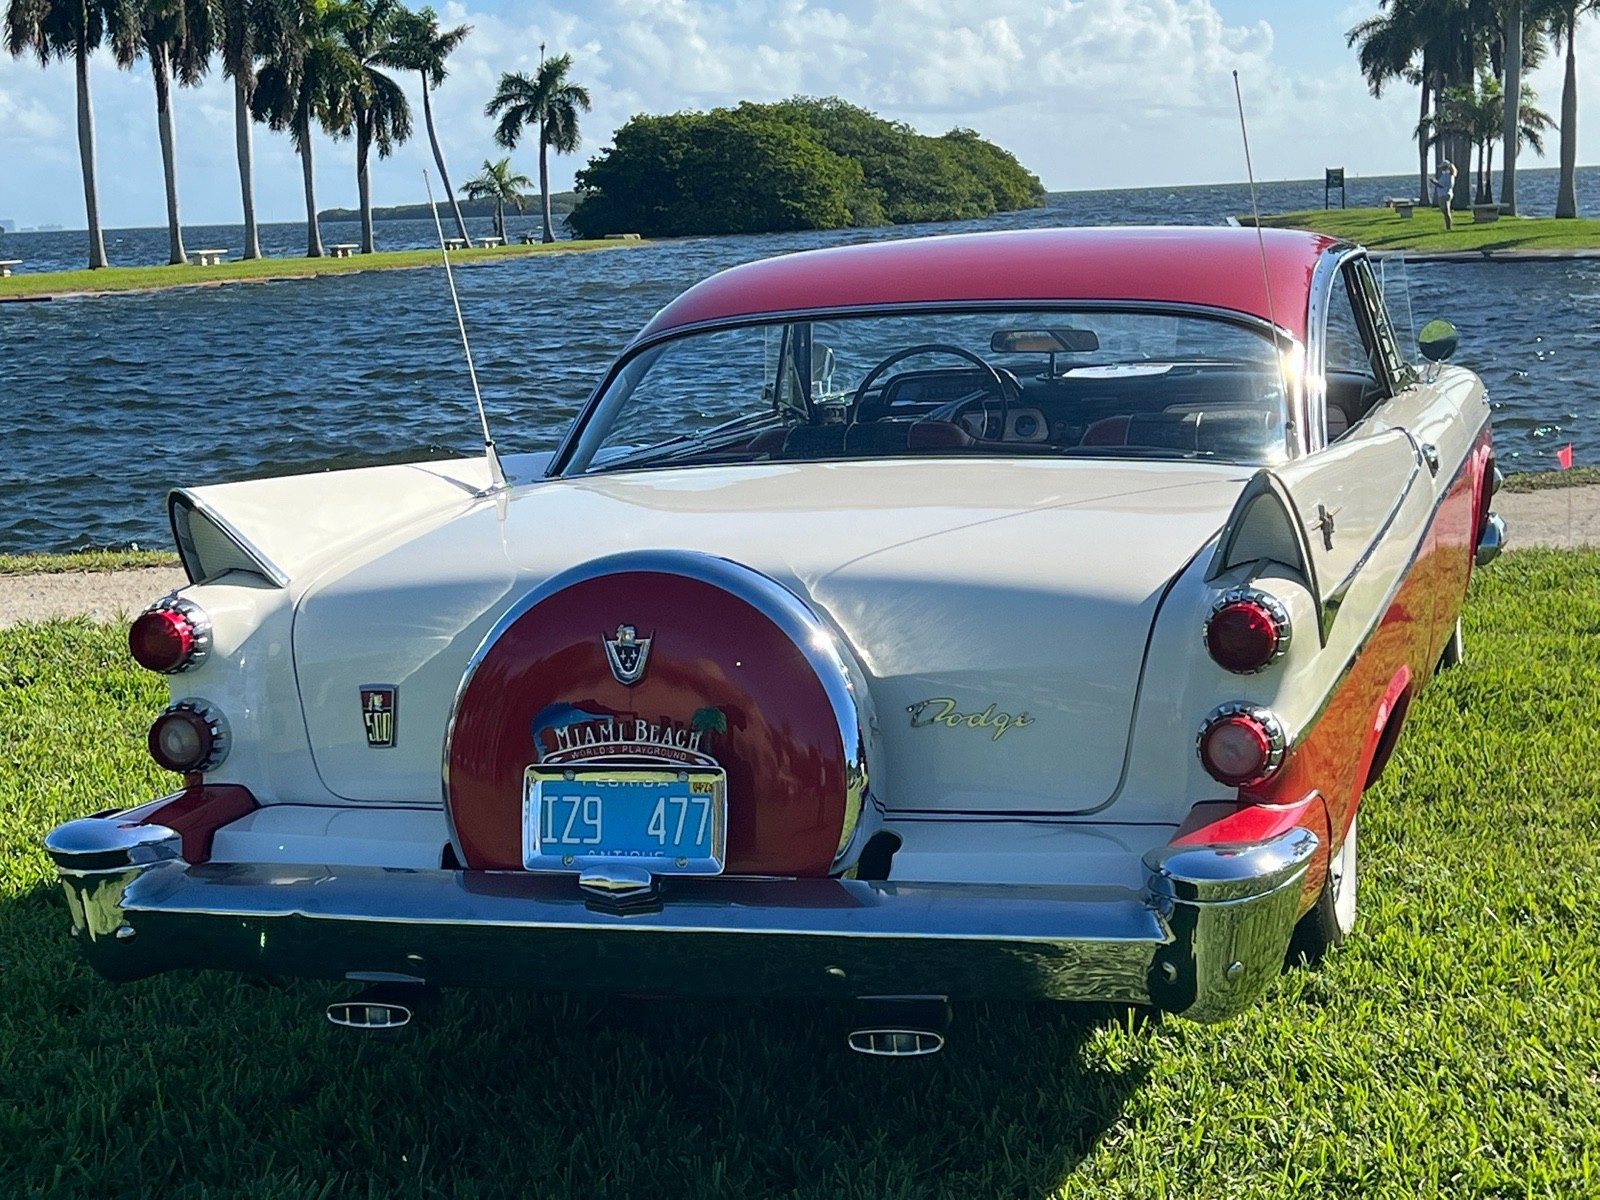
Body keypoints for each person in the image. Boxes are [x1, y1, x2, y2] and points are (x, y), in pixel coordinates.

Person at [1431, 161, 1458, 230]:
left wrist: (1434, 182)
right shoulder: (1450, 175)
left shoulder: (1447, 175)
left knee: (1445, 212)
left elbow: (1441, 185)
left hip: (1444, 194)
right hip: (1448, 193)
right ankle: (1448, 226)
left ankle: (1448, 227)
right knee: (1446, 211)